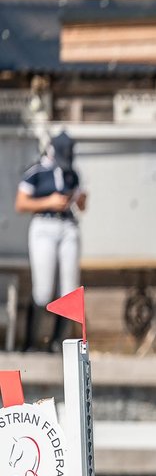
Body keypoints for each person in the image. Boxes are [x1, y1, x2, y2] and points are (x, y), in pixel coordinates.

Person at [13, 131, 86, 352]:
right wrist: (49, 201)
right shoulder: (37, 171)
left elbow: (83, 206)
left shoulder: (72, 173)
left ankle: (57, 344)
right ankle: (30, 343)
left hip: (68, 226)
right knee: (43, 291)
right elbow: (21, 204)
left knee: (69, 290)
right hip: (44, 226)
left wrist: (80, 199)